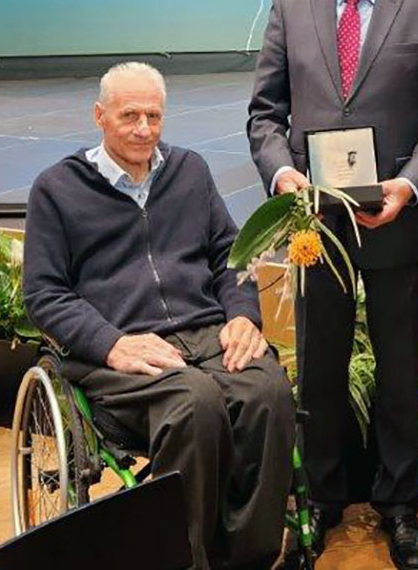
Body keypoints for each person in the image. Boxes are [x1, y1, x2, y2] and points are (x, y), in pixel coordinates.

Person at [247, 0, 418, 570]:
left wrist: (410, 184)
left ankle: (401, 506)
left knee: (402, 371)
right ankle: (320, 500)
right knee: (318, 370)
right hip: (315, 227)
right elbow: (265, 116)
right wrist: (282, 176)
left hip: (396, 220)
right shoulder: (291, 8)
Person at [23, 62, 295, 570]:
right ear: (99, 116)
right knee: (194, 403)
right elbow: (44, 293)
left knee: (268, 393)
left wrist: (242, 315)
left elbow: (230, 253)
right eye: (129, 115)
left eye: (154, 116)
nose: (144, 129)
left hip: (205, 330)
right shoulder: (57, 189)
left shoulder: (189, 170)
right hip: (119, 349)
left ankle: (248, 557)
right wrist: (111, 344)